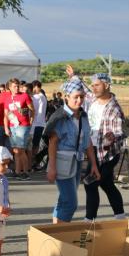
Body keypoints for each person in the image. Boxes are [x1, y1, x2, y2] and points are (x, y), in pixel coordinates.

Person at [65, 68, 126, 221]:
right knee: (107, 184)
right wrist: (73, 76)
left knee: (90, 183)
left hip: (107, 154)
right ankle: (120, 217)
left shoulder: (114, 109)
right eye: (93, 85)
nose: (94, 87)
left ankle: (89, 220)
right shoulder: (91, 98)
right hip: (93, 149)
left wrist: (113, 137)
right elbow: (84, 87)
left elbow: (119, 132)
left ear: (106, 85)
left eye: (97, 85)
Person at [44, 77, 100, 223]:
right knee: (70, 203)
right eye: (76, 97)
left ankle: (56, 231)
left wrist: (93, 164)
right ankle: (61, 235)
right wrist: (52, 167)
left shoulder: (83, 116)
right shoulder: (60, 117)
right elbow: (53, 143)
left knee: (64, 199)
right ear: (66, 97)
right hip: (62, 161)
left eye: (81, 97)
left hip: (77, 161)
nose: (79, 100)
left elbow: (87, 141)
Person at [3, 78, 34, 180]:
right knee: (15, 150)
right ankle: (17, 171)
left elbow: (32, 109)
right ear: (10, 87)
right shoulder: (7, 98)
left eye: (18, 86)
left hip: (23, 125)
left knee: (21, 149)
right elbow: (6, 114)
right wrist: (6, 128)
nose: (16, 88)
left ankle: (25, 172)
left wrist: (31, 120)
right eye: (14, 86)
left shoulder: (24, 95)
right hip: (13, 126)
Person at [31, 80, 47, 169]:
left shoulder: (37, 97)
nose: (33, 90)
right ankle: (34, 161)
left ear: (37, 87)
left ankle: (32, 161)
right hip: (40, 123)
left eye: (33, 88)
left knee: (33, 145)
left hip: (35, 124)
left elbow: (35, 110)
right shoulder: (43, 97)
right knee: (36, 144)